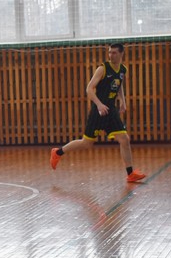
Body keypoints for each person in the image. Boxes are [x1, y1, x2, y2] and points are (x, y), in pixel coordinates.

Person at [49, 43, 146, 183]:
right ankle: (57, 152)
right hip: (98, 111)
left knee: (124, 139)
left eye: (114, 53)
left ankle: (130, 173)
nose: (111, 55)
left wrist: (122, 101)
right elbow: (89, 89)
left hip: (111, 110)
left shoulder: (122, 69)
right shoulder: (103, 68)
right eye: (110, 52)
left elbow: (119, 85)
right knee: (86, 143)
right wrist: (99, 104)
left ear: (121, 54)